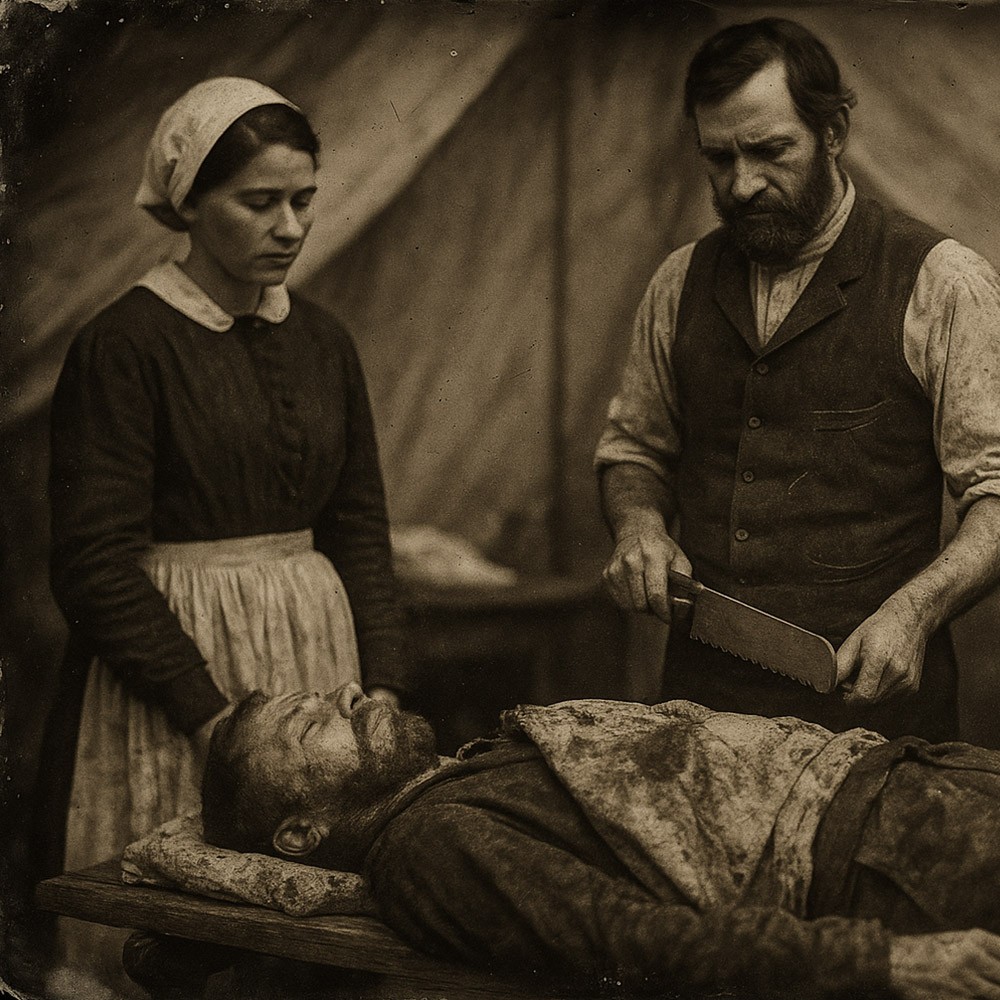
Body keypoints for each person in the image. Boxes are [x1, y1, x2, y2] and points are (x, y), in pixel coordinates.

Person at [38, 77, 412, 993]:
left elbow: (360, 527)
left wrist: (386, 697)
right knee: (167, 941)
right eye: (260, 203)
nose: (290, 226)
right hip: (178, 677)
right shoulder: (123, 346)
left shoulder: (325, 341)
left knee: (302, 955)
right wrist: (209, 718)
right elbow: (92, 567)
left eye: (304, 201)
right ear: (189, 203)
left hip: (313, 672)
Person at [594, 18, 1000, 741]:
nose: (743, 184)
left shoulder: (943, 282)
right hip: (701, 714)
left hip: (872, 719)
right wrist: (638, 526)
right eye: (718, 158)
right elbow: (634, 450)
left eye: (771, 150)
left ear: (834, 131)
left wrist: (915, 613)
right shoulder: (678, 282)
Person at [201, 682, 1000, 1000]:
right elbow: (639, 938)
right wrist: (886, 960)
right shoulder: (427, 847)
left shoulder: (456, 778)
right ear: (302, 831)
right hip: (891, 858)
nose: (346, 691)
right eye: (313, 724)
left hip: (915, 787)